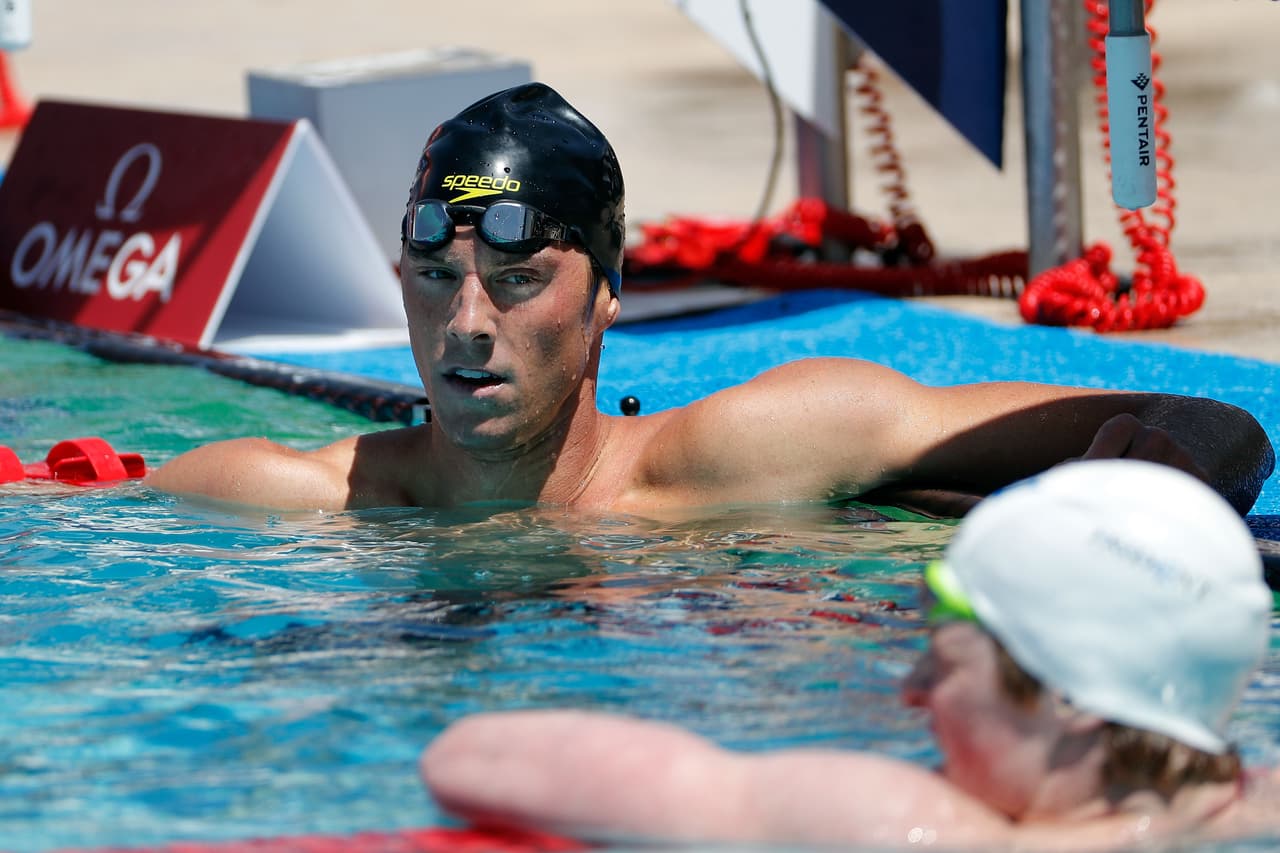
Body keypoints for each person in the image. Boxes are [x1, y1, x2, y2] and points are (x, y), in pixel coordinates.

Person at [145, 82, 1275, 517]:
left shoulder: (748, 449)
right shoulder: (300, 499)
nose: (467, 324)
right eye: (435, 277)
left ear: (607, 296)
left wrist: (1158, 488)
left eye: (520, 276)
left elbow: (1210, 423)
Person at [421, 459, 1278, 850]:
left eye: (942, 662)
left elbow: (473, 756)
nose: (910, 692)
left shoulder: (911, 827)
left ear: (1074, 695)